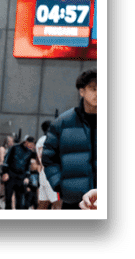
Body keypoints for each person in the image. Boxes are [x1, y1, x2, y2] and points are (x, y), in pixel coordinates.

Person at [42, 69, 97, 210]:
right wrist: (60, 185)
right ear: (82, 91)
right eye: (93, 89)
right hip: (73, 200)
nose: (98, 93)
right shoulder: (63, 123)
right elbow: (49, 158)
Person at [1, 135, 37, 209]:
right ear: (26, 142)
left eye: (33, 145)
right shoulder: (14, 148)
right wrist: (5, 172)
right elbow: (6, 160)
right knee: (8, 199)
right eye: (31, 144)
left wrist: (27, 177)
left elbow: (28, 167)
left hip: (21, 177)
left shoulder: (30, 152)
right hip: (10, 175)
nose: (32, 146)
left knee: (20, 200)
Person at [35, 120, 61, 209]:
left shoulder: (40, 140)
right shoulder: (49, 140)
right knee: (58, 204)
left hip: (43, 174)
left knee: (43, 205)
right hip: (51, 174)